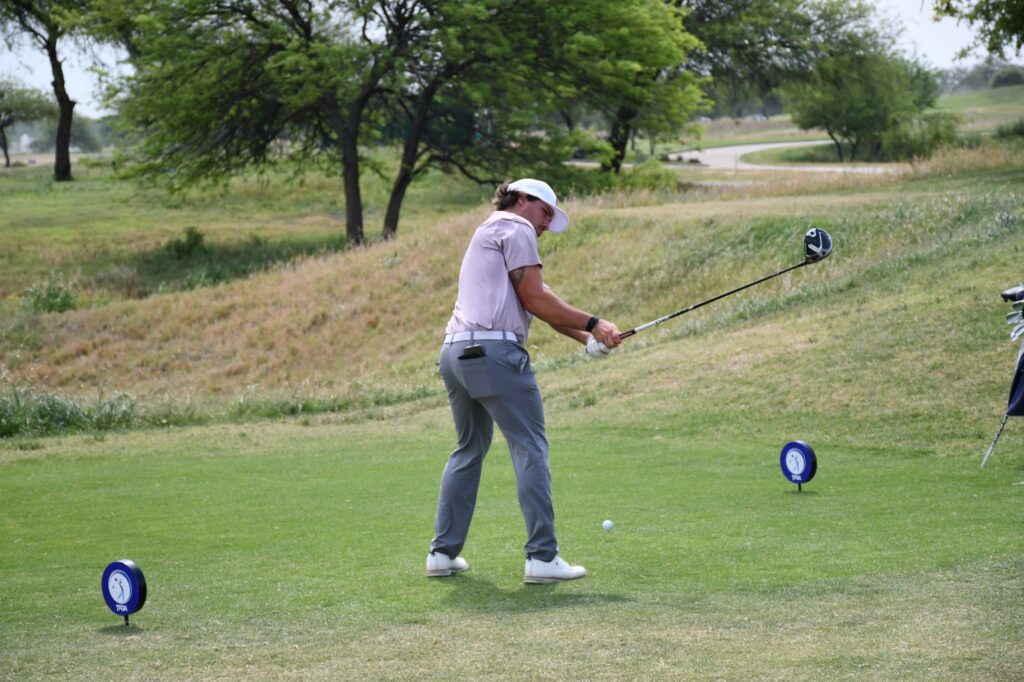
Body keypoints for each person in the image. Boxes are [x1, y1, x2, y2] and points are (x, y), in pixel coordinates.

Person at [426, 178, 622, 584]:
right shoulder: (516, 228)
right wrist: (594, 321)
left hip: (455, 354)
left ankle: (442, 554)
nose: (547, 224)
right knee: (529, 446)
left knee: (469, 448)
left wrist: (588, 338)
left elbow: (541, 301)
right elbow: (536, 299)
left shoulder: (490, 231)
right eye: (545, 212)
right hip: (495, 356)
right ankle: (542, 557)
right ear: (521, 200)